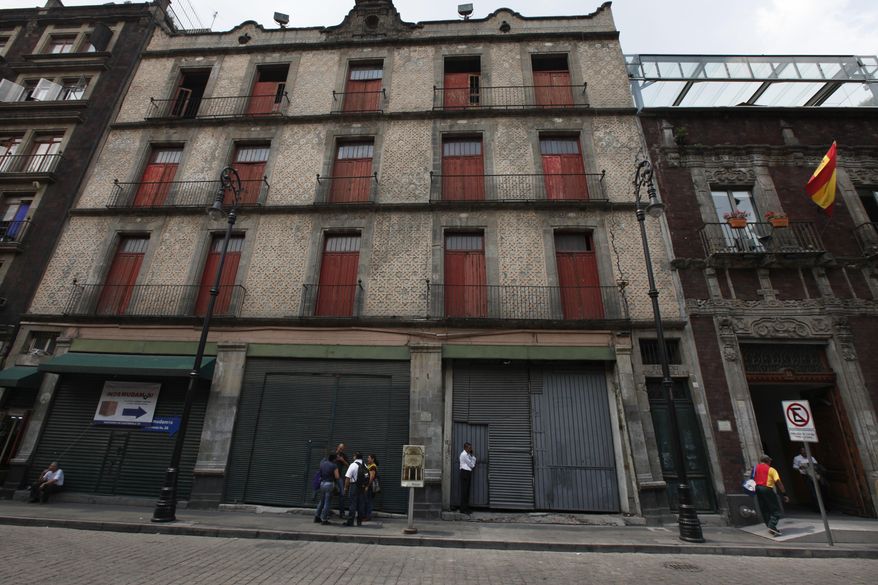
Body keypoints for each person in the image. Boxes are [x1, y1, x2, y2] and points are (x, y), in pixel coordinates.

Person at [754, 455, 789, 536]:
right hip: (767, 489)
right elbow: (778, 482)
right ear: (768, 461)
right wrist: (784, 494)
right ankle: (772, 525)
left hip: (758, 489)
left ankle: (769, 527)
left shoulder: (756, 468)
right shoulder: (771, 469)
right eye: (770, 460)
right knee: (775, 509)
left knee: (765, 508)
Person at [792, 447, 828, 512]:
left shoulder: (811, 457)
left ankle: (825, 506)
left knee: (821, 490)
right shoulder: (797, 458)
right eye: (803, 451)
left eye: (805, 451)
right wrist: (801, 467)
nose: (804, 453)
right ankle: (818, 508)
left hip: (815, 476)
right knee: (813, 492)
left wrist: (812, 466)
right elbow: (795, 467)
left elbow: (817, 465)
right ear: (801, 452)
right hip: (806, 476)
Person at [314, 452, 339, 525]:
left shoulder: (323, 464)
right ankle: (324, 519)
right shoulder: (334, 465)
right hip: (329, 484)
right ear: (334, 458)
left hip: (322, 484)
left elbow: (320, 474)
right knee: (327, 502)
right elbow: (337, 476)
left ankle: (317, 516)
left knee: (322, 501)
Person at [343, 452, 367, 526]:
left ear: (355, 457)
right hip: (362, 487)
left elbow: (347, 477)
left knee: (352, 504)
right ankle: (359, 522)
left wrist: (345, 488)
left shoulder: (353, 465)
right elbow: (366, 476)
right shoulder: (364, 465)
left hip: (354, 486)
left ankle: (350, 521)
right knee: (360, 504)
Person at [459, 442, 476, 515]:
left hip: (467, 473)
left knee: (467, 491)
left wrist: (471, 456)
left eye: (471, 448)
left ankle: (465, 508)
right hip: (465, 473)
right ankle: (463, 509)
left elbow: (471, 464)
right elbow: (472, 465)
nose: (470, 449)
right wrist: (473, 458)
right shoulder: (464, 455)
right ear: (465, 448)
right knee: (464, 491)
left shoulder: (468, 454)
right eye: (469, 448)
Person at [334, 443, 349, 519]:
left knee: (342, 495)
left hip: (339, 477)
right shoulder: (333, 454)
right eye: (340, 448)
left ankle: (342, 513)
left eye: (342, 449)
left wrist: (342, 460)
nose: (341, 450)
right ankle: (326, 512)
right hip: (331, 478)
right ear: (337, 447)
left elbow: (348, 465)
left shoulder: (344, 456)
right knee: (328, 494)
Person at [364, 454, 379, 521]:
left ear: (372, 459)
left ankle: (368, 517)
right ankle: (367, 516)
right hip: (368, 486)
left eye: (369, 458)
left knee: (368, 501)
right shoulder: (369, 466)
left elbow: (371, 477)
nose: (368, 459)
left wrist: (367, 486)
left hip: (370, 486)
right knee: (367, 501)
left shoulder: (373, 467)